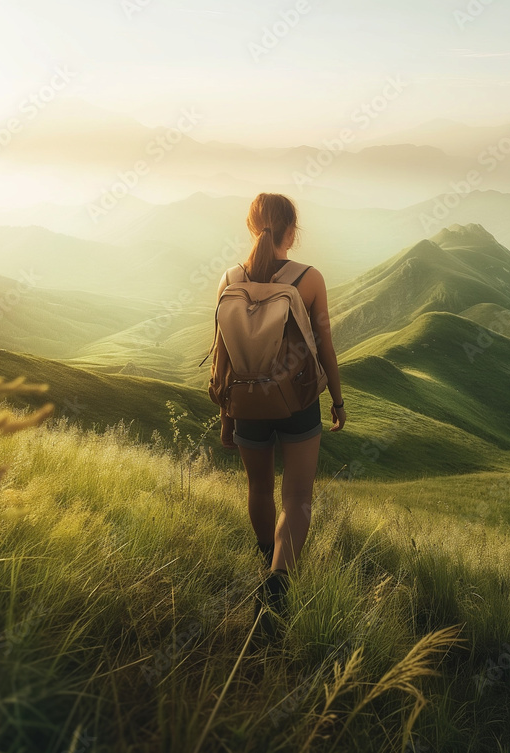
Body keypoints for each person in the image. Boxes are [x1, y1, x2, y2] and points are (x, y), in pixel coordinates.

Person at [216, 193, 346, 637]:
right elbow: (324, 344)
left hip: (246, 402)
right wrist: (339, 399)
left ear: (253, 227)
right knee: (297, 499)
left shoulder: (229, 278)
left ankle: (265, 563)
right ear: (292, 231)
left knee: (259, 490)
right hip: (297, 403)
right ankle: (277, 586)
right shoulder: (308, 279)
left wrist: (227, 415)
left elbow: (223, 355)